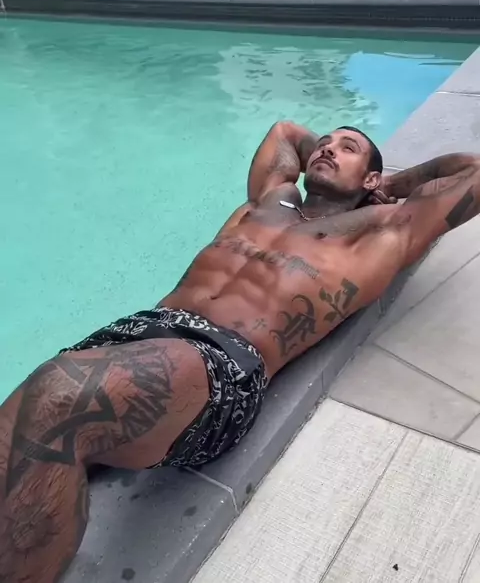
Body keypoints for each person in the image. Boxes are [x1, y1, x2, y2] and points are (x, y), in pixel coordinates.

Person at [1, 121, 480, 583]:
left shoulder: (383, 230)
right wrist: (336, 157)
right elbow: (285, 130)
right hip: (139, 334)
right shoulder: (271, 201)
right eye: (325, 142)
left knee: (59, 394)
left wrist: (392, 183)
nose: (328, 148)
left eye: (347, 147)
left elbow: (474, 171)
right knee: (12, 431)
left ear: (371, 179)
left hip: (222, 365)